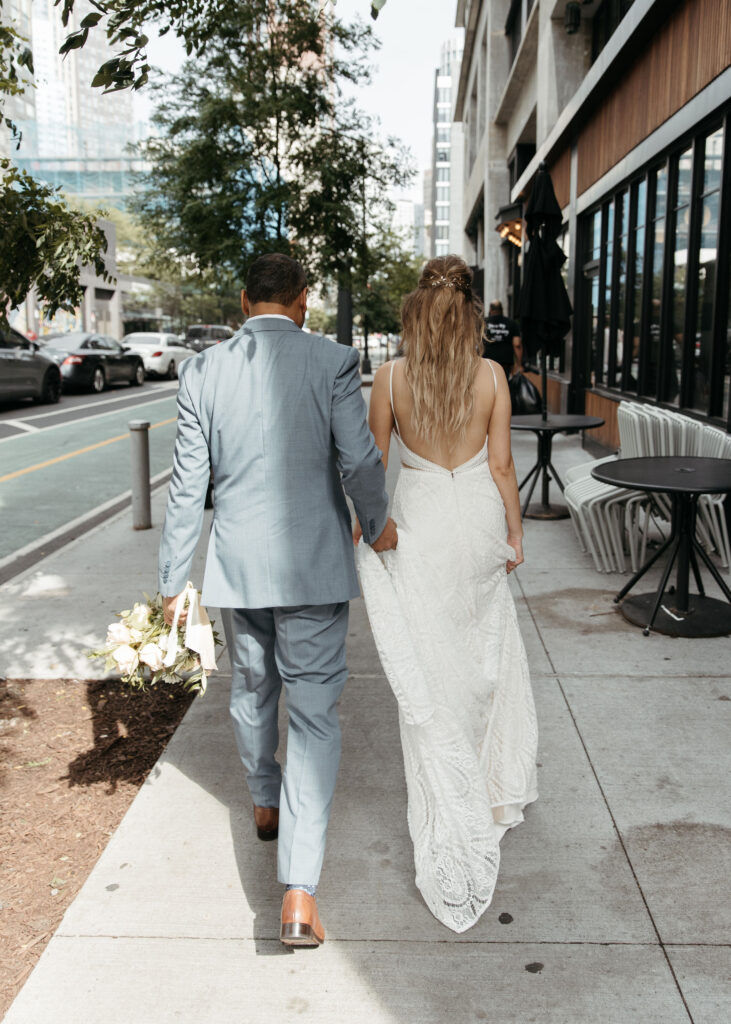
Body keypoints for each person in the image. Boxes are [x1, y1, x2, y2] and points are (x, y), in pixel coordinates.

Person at [158, 253, 397, 948]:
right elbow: (358, 459)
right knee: (315, 716)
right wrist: (376, 524)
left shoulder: (202, 370)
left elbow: (185, 485)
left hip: (237, 566)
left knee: (252, 688)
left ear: (242, 300)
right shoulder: (329, 361)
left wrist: (175, 578)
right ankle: (297, 892)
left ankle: (265, 800)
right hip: (313, 567)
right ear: (301, 300)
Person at [355, 255, 538, 933]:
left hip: (421, 518)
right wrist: (515, 534)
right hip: (477, 517)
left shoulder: (391, 376)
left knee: (432, 651)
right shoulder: (492, 375)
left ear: (413, 314)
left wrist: (370, 527)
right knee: (484, 647)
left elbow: (375, 460)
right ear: (468, 316)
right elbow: (500, 465)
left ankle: (450, 769)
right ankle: (491, 784)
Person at [484, 299, 523, 379]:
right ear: (502, 310)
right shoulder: (511, 323)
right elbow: (517, 344)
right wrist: (519, 364)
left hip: (487, 362)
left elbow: (475, 343)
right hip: (505, 363)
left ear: (490, 310)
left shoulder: (483, 322)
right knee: (503, 385)